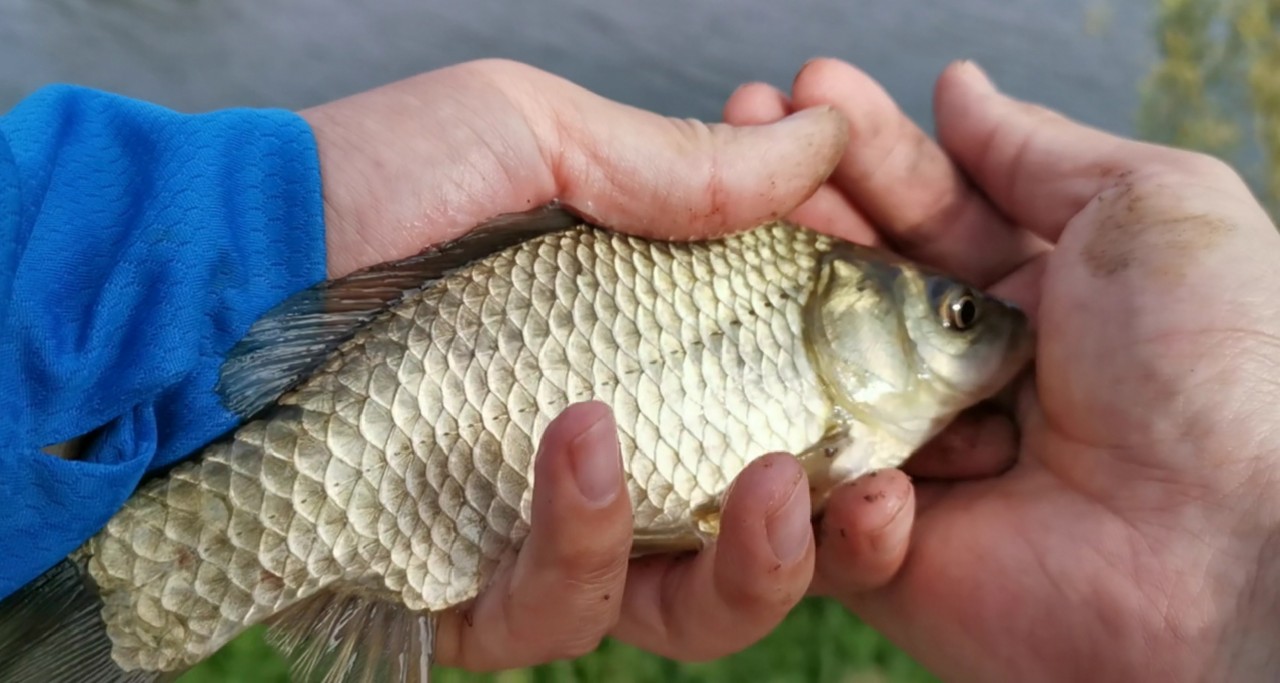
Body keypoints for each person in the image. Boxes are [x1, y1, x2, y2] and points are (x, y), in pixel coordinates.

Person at [2, 55, 1277, 681]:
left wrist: (1238, 564)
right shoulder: (791, 307)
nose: (993, 333)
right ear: (845, 316)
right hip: (383, 403)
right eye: (954, 319)